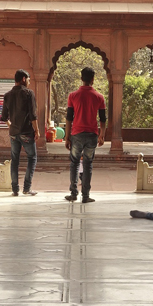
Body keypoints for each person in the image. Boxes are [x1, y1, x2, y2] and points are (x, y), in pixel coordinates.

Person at [65, 66, 107, 204]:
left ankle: (73, 193)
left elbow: (69, 117)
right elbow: (102, 119)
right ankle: (86, 195)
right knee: (88, 164)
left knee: (74, 163)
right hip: (92, 135)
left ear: (81, 78)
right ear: (93, 80)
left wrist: (67, 136)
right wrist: (102, 135)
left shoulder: (73, 96)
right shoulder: (99, 97)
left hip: (77, 134)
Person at [1, 70, 40, 196]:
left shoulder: (8, 95)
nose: (29, 82)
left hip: (13, 133)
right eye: (28, 79)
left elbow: (4, 117)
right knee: (32, 158)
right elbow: (33, 115)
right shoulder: (28, 93)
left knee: (15, 160)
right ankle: (27, 188)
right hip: (26, 132)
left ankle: (15, 189)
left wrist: (11, 126)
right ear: (23, 79)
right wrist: (37, 130)